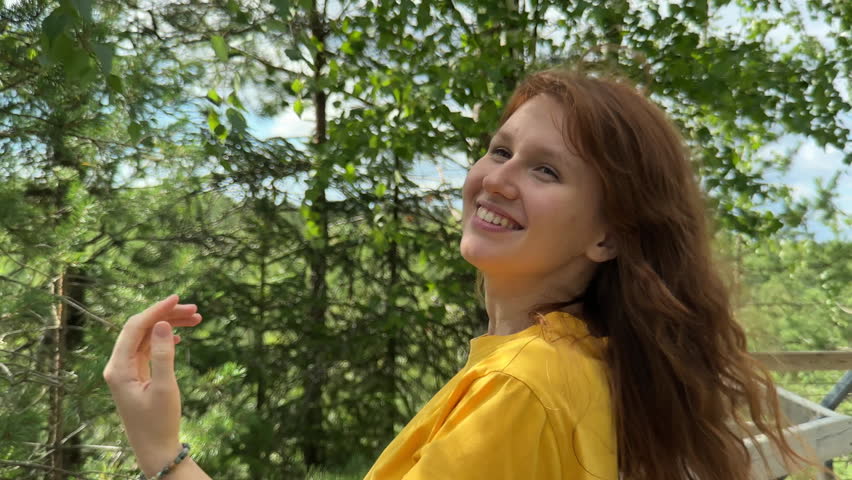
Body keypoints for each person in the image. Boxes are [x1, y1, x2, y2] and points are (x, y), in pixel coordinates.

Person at [104, 69, 818, 480]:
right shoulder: (581, 363)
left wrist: (162, 453)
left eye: (545, 169)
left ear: (608, 236)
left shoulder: (522, 390)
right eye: (499, 150)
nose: (497, 179)